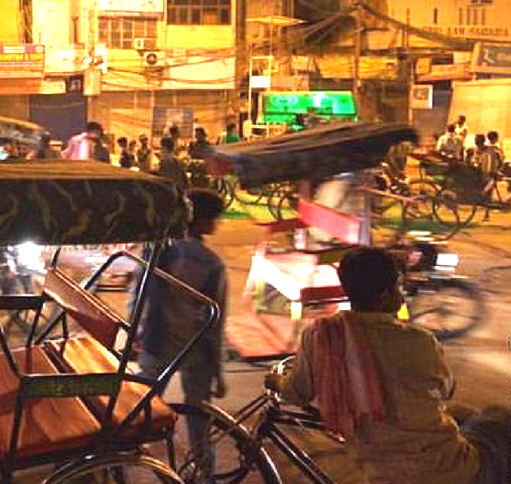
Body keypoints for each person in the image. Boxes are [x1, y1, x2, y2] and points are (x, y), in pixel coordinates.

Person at [267, 247, 511, 484]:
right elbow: (446, 389)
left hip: (379, 470)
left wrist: (276, 381)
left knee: (463, 415)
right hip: (447, 470)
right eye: (398, 287)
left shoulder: (322, 335)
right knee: (497, 420)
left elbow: (296, 393)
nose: (402, 295)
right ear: (385, 295)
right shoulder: (419, 340)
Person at [137, 189, 227, 476]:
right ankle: (204, 470)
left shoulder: (156, 250)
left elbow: (137, 297)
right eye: (214, 218)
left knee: (142, 407)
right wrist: (219, 370)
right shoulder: (211, 264)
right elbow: (215, 320)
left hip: (157, 341)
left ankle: (127, 452)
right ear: (201, 221)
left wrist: (137, 330)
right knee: (199, 415)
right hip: (195, 350)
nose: (217, 224)